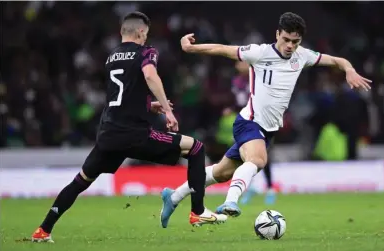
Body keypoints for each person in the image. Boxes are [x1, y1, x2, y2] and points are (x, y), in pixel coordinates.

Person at [159, 12, 371, 228]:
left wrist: (349, 69)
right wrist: (191, 48)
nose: (290, 45)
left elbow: (336, 60)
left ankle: (173, 197)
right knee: (258, 160)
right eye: (286, 39)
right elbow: (223, 49)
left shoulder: (303, 56)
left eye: (295, 41)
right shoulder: (259, 52)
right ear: (277, 34)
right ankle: (230, 201)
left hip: (267, 129)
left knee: (220, 173)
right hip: (249, 123)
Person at [31, 11, 227, 243]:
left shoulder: (111, 57)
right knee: (195, 148)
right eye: (146, 33)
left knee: (80, 181)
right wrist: (166, 109)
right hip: (134, 133)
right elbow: (150, 76)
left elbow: (121, 94)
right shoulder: (146, 52)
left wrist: (148, 105)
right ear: (141, 32)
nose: (147, 38)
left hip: (108, 134)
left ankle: (43, 230)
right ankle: (198, 212)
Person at [230, 60, 276, 205]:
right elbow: (238, 101)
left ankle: (269, 188)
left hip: (263, 120)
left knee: (264, 155)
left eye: (242, 63)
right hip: (245, 121)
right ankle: (253, 186)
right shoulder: (236, 81)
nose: (239, 66)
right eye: (237, 64)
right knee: (246, 155)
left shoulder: (258, 77)